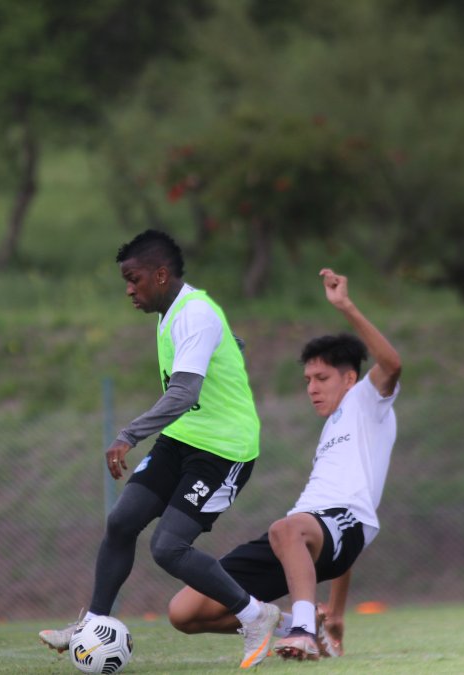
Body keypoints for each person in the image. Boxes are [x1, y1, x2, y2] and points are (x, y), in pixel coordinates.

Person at [38, 229, 282, 668]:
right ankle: (94, 623)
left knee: (168, 547)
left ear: (162, 275)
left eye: (134, 279)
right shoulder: (174, 312)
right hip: (184, 438)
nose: (129, 290)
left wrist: (129, 433)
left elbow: (184, 393)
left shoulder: (195, 312)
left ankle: (255, 615)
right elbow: (214, 355)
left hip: (224, 451)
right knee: (122, 521)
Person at [167, 268, 401, 662]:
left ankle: (303, 631)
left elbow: (392, 365)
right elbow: (331, 550)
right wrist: (338, 613)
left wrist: (345, 306)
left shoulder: (368, 402)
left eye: (321, 377)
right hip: (304, 534)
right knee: (185, 612)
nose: (311, 387)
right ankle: (292, 620)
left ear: (349, 379)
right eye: (307, 378)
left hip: (329, 525)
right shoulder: (331, 433)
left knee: (287, 528)